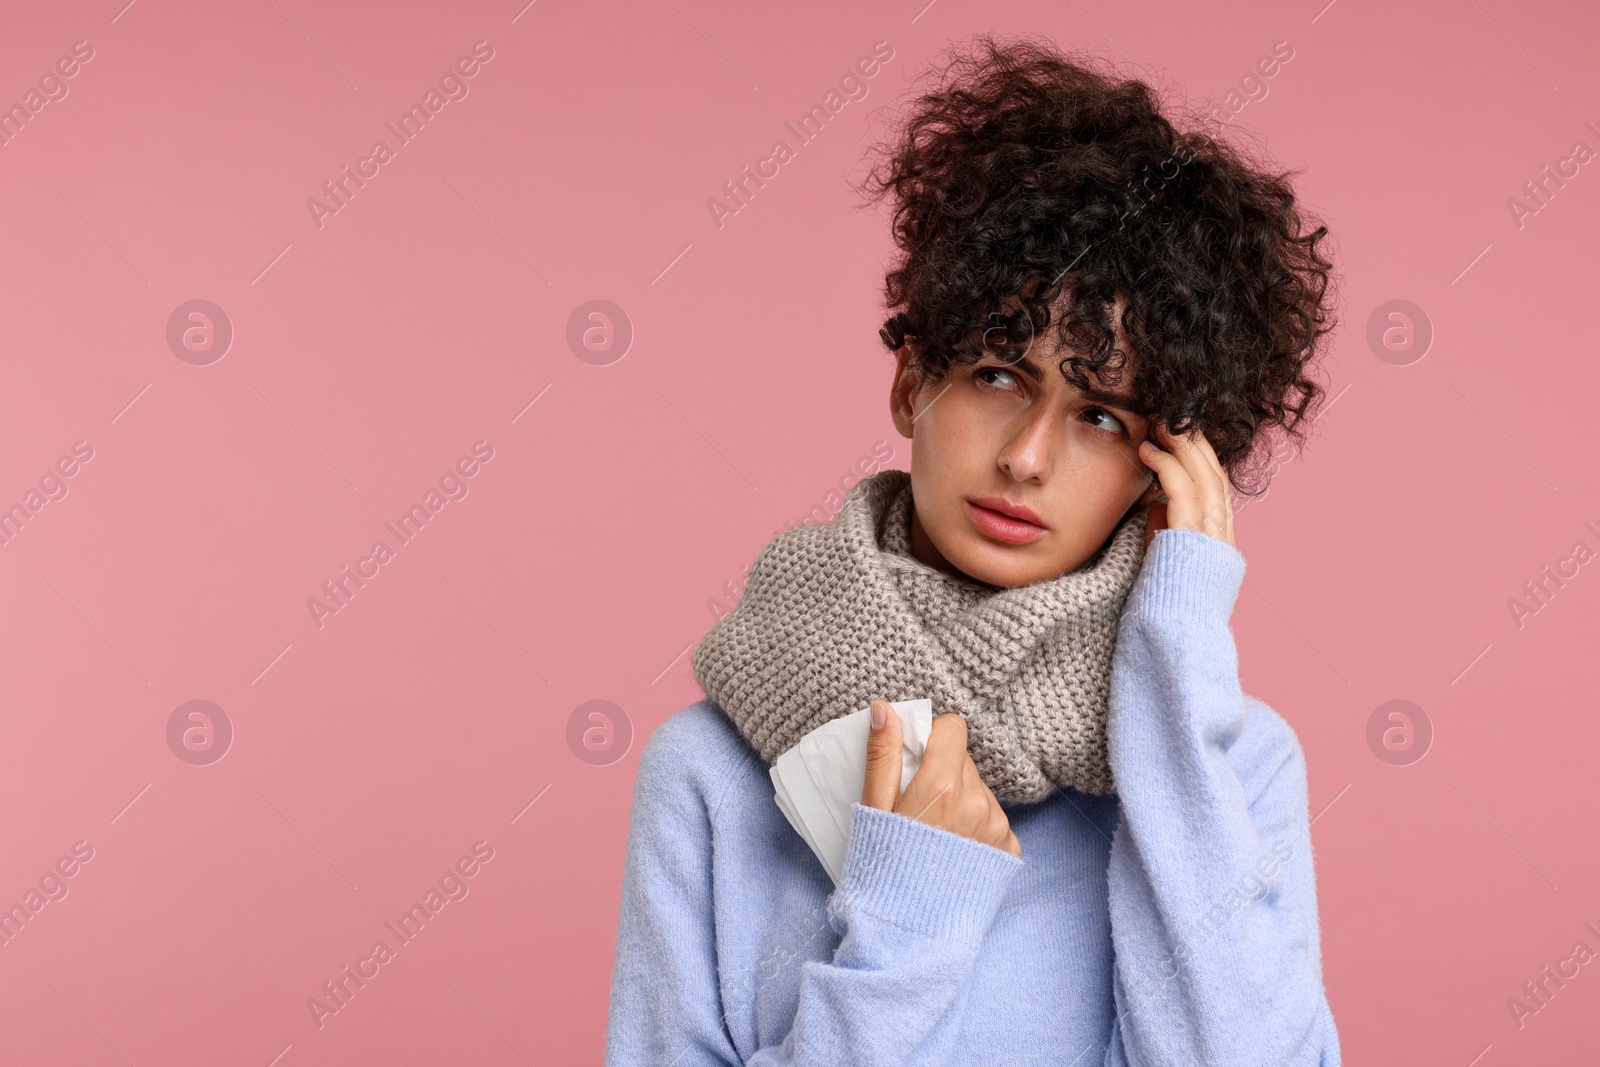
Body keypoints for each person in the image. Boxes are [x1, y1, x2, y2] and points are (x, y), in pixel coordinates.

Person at [605, 32, 1340, 1066]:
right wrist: (905, 918)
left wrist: (1173, 669)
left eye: (1102, 417)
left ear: (1166, 466)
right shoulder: (712, 769)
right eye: (998, 373)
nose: (1028, 457)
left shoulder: (1227, 763)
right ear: (914, 381)